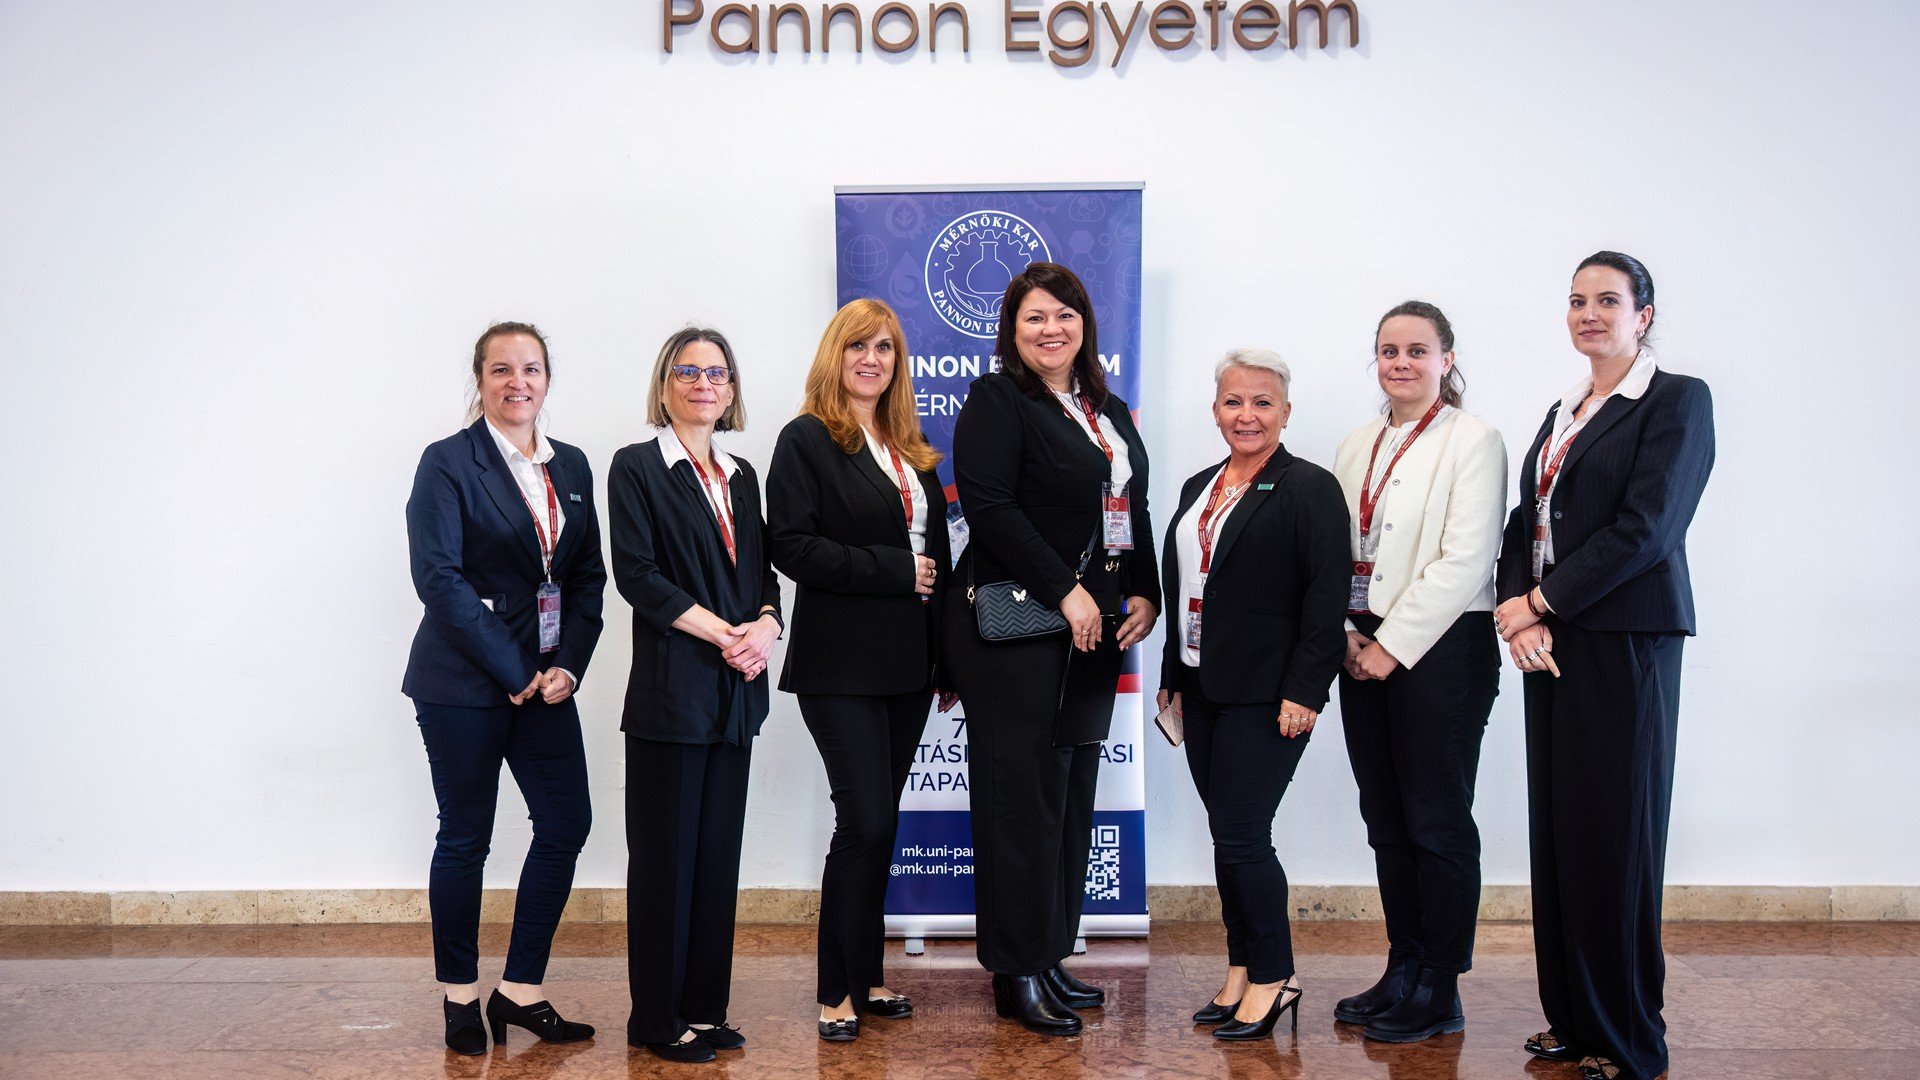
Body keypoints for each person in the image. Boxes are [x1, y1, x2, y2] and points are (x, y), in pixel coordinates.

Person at [1494, 252, 1714, 1080]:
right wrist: (1516, 608)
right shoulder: (1565, 410)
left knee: (1618, 839)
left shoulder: (1676, 400)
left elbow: (1647, 529)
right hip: (1553, 638)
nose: (1589, 313)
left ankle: (1629, 1041)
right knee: (1563, 833)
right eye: (1578, 300)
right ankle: (1575, 1018)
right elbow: (1526, 521)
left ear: (1642, 315)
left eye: (1608, 300)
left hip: (1625, 637)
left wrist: (1539, 602)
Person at [941, 262, 1159, 1037]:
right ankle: (1016, 970)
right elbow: (990, 508)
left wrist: (1146, 591)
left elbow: (1131, 507)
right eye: (1034, 317)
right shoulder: (997, 400)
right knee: (1017, 803)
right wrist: (1064, 590)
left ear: (1084, 324)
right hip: (1016, 628)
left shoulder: (1107, 410)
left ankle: (1050, 953)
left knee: (1068, 800)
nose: (1051, 329)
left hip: (1093, 631)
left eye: (1064, 315)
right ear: (1012, 330)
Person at [402, 321, 605, 1055]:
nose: (518, 382)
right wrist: (515, 669)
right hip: (462, 684)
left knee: (566, 824)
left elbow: (586, 578)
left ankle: (519, 991)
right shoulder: (448, 462)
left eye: (531, 369)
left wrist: (567, 666)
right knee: (466, 836)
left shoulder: (571, 465)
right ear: (480, 380)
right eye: (501, 370)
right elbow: (439, 580)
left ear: (547, 380)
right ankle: (459, 994)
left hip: (547, 685)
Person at [767, 298, 955, 1042]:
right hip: (839, 663)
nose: (871, 360)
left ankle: (868, 975)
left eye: (884, 348)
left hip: (908, 665)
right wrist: (893, 569)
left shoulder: (911, 445)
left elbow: (940, 562)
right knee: (865, 820)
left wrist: (945, 660)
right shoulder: (807, 439)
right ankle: (834, 990)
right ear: (834, 356)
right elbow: (791, 546)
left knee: (883, 825)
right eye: (857, 347)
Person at [1156, 349, 1348, 1042]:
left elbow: (1326, 598)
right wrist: (1173, 677)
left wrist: (1306, 690)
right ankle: (1241, 969)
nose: (1247, 415)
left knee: (1243, 835)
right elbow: (1185, 587)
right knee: (1227, 835)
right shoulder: (1199, 486)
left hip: (1269, 695)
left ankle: (1274, 977)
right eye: (1234, 401)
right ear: (1216, 410)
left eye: (1262, 402)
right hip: (1201, 684)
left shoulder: (1309, 488)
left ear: (1285, 412)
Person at [1329, 302, 1507, 1042]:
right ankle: (1403, 966)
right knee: (1386, 818)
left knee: (1436, 819)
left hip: (1443, 648)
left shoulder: (1475, 440)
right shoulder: (1357, 443)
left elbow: (1467, 560)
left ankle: (1440, 985)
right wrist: (1345, 634)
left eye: (1416, 350)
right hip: (1359, 644)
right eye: (1388, 350)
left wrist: (1391, 645)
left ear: (1446, 359)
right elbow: (1333, 549)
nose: (1400, 363)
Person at [608, 327, 783, 1064]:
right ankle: (656, 1018)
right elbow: (638, 575)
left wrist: (767, 626)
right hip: (673, 695)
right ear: (664, 385)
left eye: (716, 373)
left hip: (736, 695)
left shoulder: (742, 475)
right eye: (687, 371)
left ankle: (705, 1010)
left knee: (716, 860)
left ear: (731, 390)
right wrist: (725, 635)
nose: (703, 383)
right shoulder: (637, 466)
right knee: (665, 864)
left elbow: (764, 573)